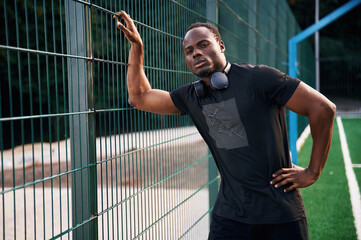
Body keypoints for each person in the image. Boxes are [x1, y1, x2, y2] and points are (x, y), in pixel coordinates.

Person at [114, 11, 336, 240]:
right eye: (188, 51)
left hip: (279, 215)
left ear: (221, 45)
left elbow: (323, 108)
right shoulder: (191, 96)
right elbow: (139, 97)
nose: (196, 53)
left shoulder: (259, 78)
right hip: (229, 219)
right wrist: (137, 47)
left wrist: (313, 171)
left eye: (203, 45)